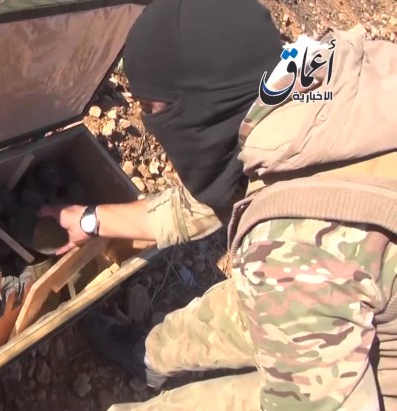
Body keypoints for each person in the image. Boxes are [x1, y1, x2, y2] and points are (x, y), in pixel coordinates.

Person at [38, 0, 397, 409]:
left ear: (203, 105)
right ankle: (149, 357)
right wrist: (89, 220)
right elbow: (211, 200)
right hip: (333, 282)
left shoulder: (291, 252)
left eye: (154, 109)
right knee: (251, 302)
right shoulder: (323, 79)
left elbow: (301, 271)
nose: (150, 123)